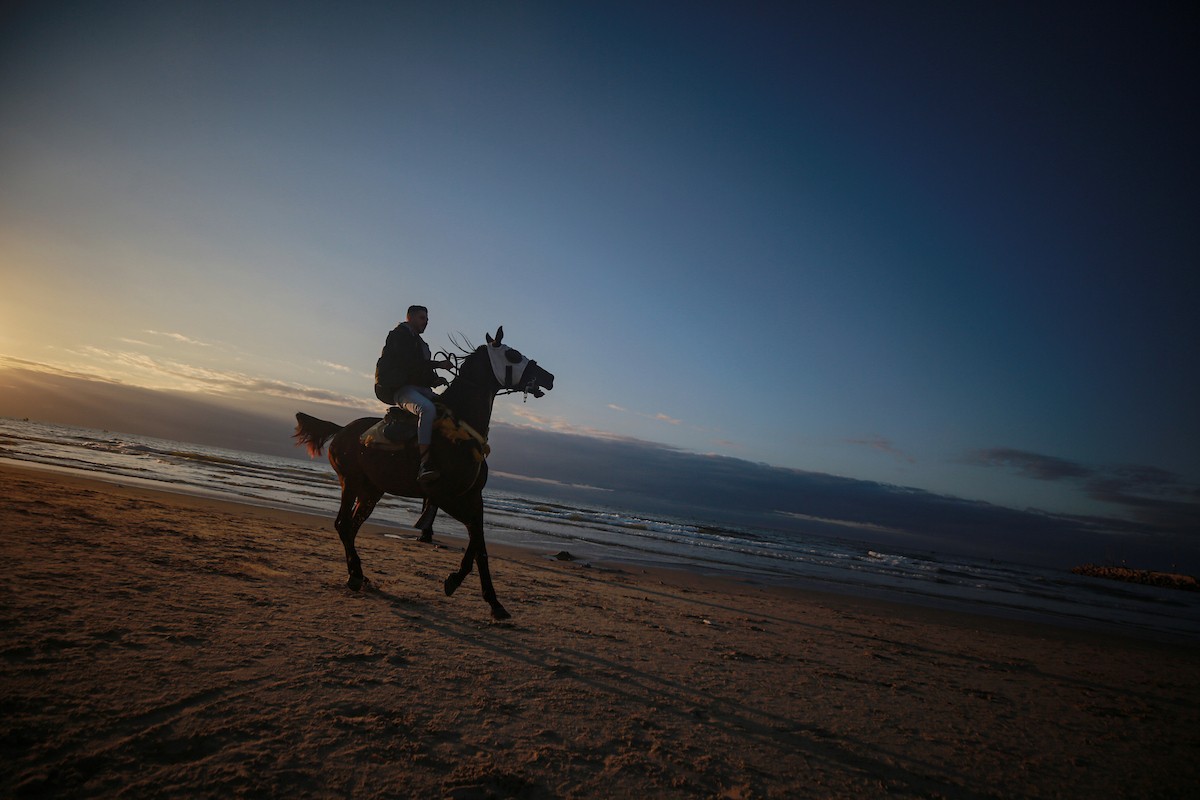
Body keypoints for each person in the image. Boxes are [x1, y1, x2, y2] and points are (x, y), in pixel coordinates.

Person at [374, 305, 452, 481]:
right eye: (422, 318)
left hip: (420, 389)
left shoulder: (422, 344)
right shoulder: (398, 335)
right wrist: (438, 365)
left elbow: (421, 371)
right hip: (400, 389)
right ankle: (424, 462)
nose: (425, 322)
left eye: (427, 319)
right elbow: (408, 362)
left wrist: (435, 380)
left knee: (450, 408)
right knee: (428, 409)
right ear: (410, 317)